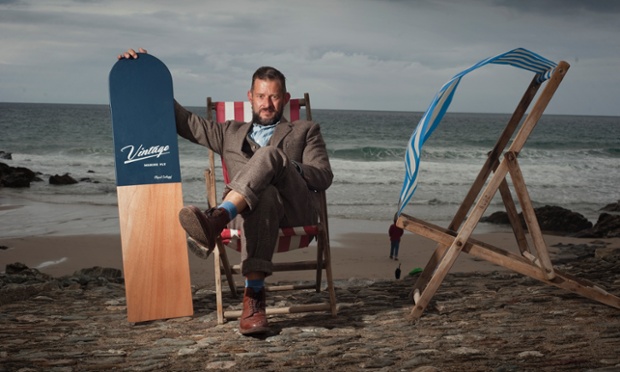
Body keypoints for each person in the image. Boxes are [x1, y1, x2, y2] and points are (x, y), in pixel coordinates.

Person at [118, 48, 333, 335]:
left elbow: (323, 176)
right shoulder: (229, 132)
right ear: (250, 96)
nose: (267, 103)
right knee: (263, 197)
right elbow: (185, 122)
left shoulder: (306, 130)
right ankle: (253, 302)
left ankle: (216, 218)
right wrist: (143, 72)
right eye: (261, 96)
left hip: (295, 211)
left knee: (270, 156)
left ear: (284, 98)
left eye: (274, 96)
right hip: (253, 216)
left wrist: (286, 166)